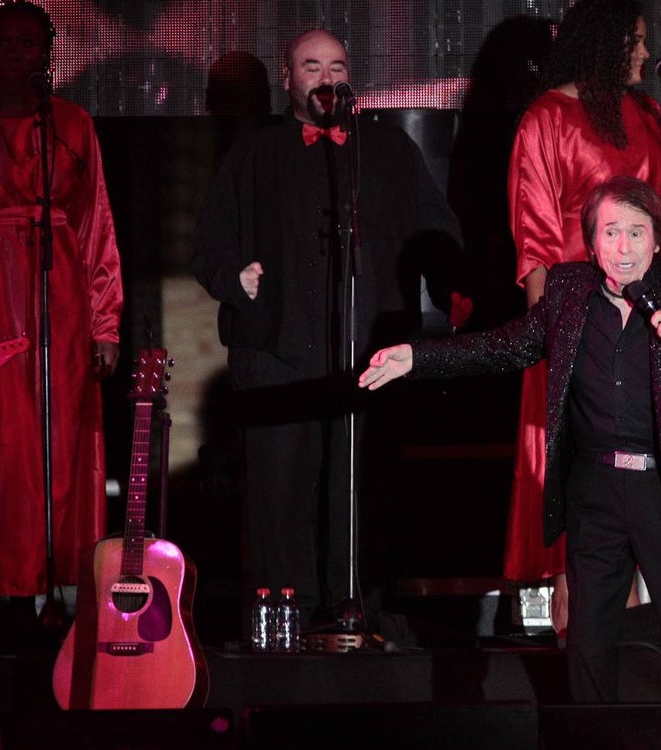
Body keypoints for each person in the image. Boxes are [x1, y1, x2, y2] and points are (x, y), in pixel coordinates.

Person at [359, 175, 661, 702]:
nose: (623, 248)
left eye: (636, 232)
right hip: (596, 493)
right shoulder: (568, 292)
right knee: (587, 650)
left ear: (657, 239)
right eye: (610, 233)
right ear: (591, 239)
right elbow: (502, 347)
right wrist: (417, 357)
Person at [191, 28, 468, 630]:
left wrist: (454, 293)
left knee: (360, 490)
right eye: (311, 67)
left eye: (336, 66)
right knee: (280, 495)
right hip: (277, 354)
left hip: (367, 351)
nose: (325, 78)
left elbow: (440, 232)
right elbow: (208, 243)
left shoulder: (388, 149)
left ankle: (355, 609)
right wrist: (236, 278)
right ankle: (280, 614)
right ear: (288, 80)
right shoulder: (255, 154)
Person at [505, 0, 661, 637]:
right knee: (582, 524)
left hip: (649, 325)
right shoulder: (546, 118)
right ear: (605, 44)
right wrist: (548, 344)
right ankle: (584, 680)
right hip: (577, 329)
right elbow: (535, 241)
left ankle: (645, 673)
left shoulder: (648, 113)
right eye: (636, 42)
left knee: (653, 506)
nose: (646, 55)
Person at [0, 1, 123, 626]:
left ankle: (57, 588)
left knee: (59, 440)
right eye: (4, 43)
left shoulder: (71, 124)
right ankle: (8, 587)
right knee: (7, 444)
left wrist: (105, 323)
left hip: (59, 297)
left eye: (28, 44)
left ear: (47, 53)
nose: (16, 54)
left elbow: (96, 224)